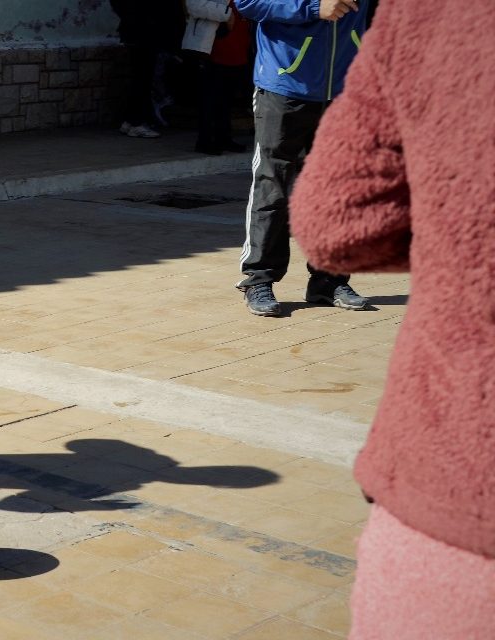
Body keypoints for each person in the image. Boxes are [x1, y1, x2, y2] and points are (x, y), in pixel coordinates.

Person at [289, 1, 494, 636]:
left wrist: (453, 253)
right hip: (287, 77)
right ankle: (259, 279)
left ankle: (321, 289)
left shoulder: (432, 11)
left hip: (449, 514)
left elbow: (334, 222)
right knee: (268, 185)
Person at [233, 0, 370, 316]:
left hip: (344, 87)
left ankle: (329, 280)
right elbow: (248, 3)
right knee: (273, 185)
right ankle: (259, 279)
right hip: (285, 84)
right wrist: (312, 7)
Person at [182, 0, 252, 155]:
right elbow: (194, 5)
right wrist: (226, 14)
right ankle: (205, 140)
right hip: (215, 46)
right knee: (210, 97)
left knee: (227, 98)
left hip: (238, 45)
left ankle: (224, 138)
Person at [109, 0, 185, 138]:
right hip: (144, 33)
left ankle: (131, 120)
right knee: (142, 79)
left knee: (141, 78)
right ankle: (136, 122)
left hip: (140, 31)